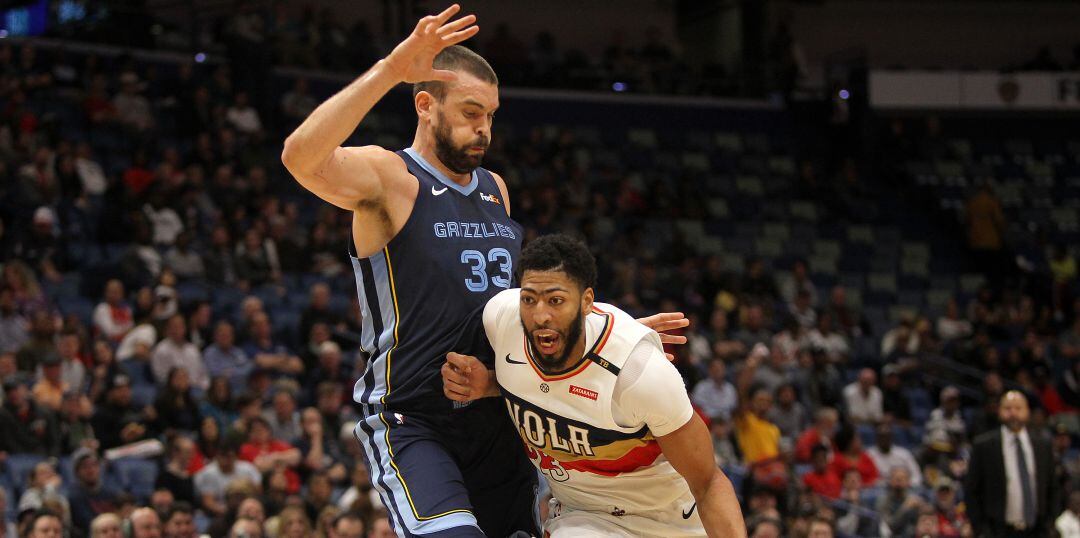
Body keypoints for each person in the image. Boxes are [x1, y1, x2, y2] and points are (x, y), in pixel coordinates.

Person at [281, 6, 682, 536]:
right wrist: (391, 69)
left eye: (491, 115)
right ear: (425, 105)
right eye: (471, 112)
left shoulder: (496, 189)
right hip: (416, 419)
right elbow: (299, 157)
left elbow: (524, 307)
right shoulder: (390, 177)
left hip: (500, 417)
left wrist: (605, 340)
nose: (484, 128)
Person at [441, 235, 745, 536]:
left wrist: (621, 338)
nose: (540, 315)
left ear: (587, 302)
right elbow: (540, 385)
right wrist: (491, 383)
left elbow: (708, 483)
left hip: (669, 518)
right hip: (584, 517)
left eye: (556, 301)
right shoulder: (502, 319)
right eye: (529, 299)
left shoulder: (639, 374)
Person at [965, 390, 1056, 537]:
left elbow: (1053, 487)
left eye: (1018, 408)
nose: (1013, 413)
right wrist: (980, 528)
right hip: (997, 530)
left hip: (1036, 530)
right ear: (999, 411)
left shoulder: (1042, 445)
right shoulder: (984, 445)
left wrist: (1050, 523)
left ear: (1027, 411)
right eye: (1008, 408)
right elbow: (972, 490)